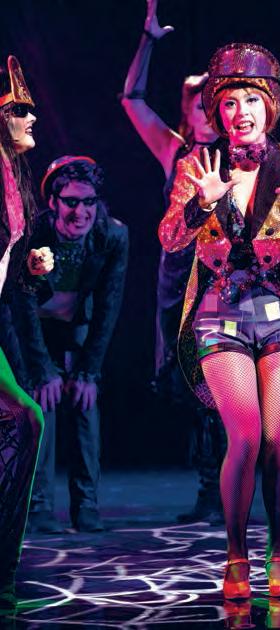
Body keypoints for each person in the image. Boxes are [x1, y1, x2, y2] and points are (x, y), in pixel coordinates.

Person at [159, 42, 280, 598]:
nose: (241, 112)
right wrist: (201, 204)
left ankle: (279, 554)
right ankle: (236, 556)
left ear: (270, 106)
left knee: (276, 437)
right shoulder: (199, 165)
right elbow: (169, 239)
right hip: (220, 311)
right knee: (243, 435)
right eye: (230, 102)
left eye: (252, 100)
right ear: (217, 111)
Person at [122, 0, 225, 524]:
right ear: (187, 110)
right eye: (198, 104)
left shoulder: (240, 152)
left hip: (221, 280)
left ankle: (224, 488)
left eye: (213, 103)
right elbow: (131, 99)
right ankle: (211, 488)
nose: (206, 111)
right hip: (177, 280)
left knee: (219, 383)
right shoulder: (175, 151)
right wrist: (148, 40)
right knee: (191, 389)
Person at [15, 156, 128, 533]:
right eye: (71, 202)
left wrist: (88, 372)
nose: (81, 212)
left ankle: (86, 505)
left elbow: (108, 306)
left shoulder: (113, 235)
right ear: (53, 202)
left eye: (89, 201)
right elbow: (21, 304)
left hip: (77, 329)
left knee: (84, 402)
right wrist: (41, 370)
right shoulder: (32, 234)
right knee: (40, 406)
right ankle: (38, 506)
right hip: (33, 330)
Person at [0, 55, 53, 611]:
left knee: (26, 421)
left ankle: (3, 574)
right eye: (19, 109)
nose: (31, 117)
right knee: (24, 421)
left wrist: (29, 268)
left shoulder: (13, 179)